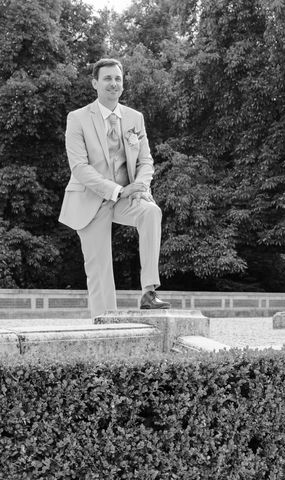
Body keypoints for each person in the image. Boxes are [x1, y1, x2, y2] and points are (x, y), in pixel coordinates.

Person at [59, 58, 170, 318]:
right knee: (99, 267)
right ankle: (106, 323)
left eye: (118, 78)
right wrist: (118, 190)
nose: (113, 83)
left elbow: (146, 161)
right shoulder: (77, 119)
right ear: (95, 83)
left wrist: (140, 185)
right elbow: (79, 168)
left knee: (151, 212)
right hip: (90, 197)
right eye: (107, 78)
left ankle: (149, 292)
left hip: (127, 196)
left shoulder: (135, 118)